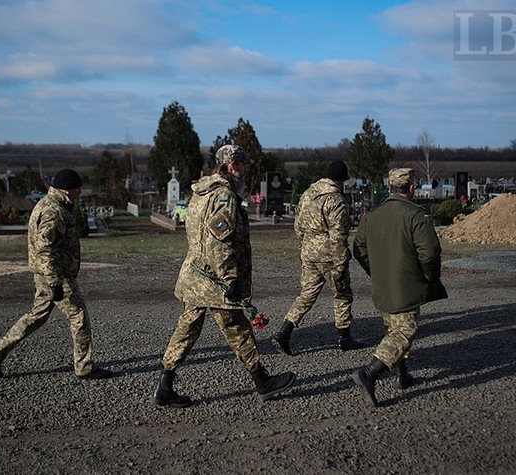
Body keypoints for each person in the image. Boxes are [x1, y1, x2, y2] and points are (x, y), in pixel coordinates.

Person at [152, 145, 296, 408]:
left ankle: (165, 385)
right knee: (237, 328)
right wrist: (230, 278)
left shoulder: (200, 192)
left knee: (186, 330)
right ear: (232, 166)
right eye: (244, 165)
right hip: (215, 280)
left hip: (195, 277)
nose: (246, 170)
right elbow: (219, 241)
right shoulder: (224, 196)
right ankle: (263, 382)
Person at [0, 169, 112, 380]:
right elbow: (46, 250)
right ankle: (84, 367)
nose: (79, 192)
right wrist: (55, 283)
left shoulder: (51, 204)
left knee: (37, 317)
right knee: (79, 317)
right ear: (66, 190)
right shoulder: (53, 211)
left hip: (46, 274)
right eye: (77, 189)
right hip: (56, 275)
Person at [351, 168, 448, 406]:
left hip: (382, 286)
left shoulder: (371, 216)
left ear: (390, 188)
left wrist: (375, 271)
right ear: (411, 188)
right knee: (404, 331)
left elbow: (359, 249)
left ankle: (402, 375)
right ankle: (370, 372)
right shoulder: (415, 215)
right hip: (407, 286)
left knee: (392, 328)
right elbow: (430, 253)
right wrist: (427, 277)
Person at [271, 160, 366, 355]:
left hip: (309, 253)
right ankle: (345, 338)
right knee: (342, 294)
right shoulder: (336, 200)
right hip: (329, 256)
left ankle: (284, 332)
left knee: (307, 294)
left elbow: (298, 225)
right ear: (341, 180)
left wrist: (304, 246)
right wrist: (341, 264)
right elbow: (338, 236)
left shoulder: (308, 194)